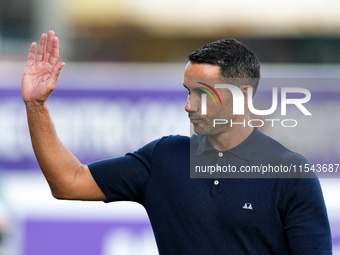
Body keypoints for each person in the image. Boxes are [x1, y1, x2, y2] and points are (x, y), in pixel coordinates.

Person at [22, 30, 332, 254]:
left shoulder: (291, 174)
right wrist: (36, 106)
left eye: (203, 93)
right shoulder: (164, 158)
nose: (189, 106)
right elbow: (69, 181)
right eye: (188, 92)